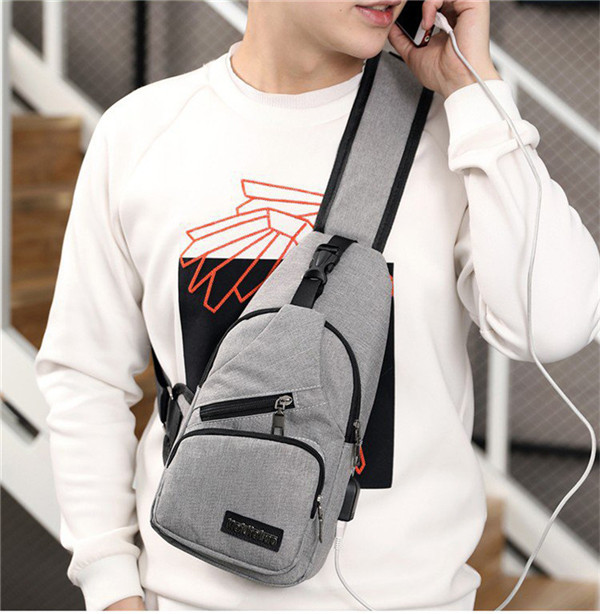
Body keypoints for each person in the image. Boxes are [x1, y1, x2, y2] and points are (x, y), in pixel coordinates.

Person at [34, 0, 600, 611]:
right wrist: (111, 587)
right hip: (183, 594)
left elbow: (555, 326)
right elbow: (86, 376)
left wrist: (474, 88)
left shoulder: (456, 131)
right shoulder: (141, 132)